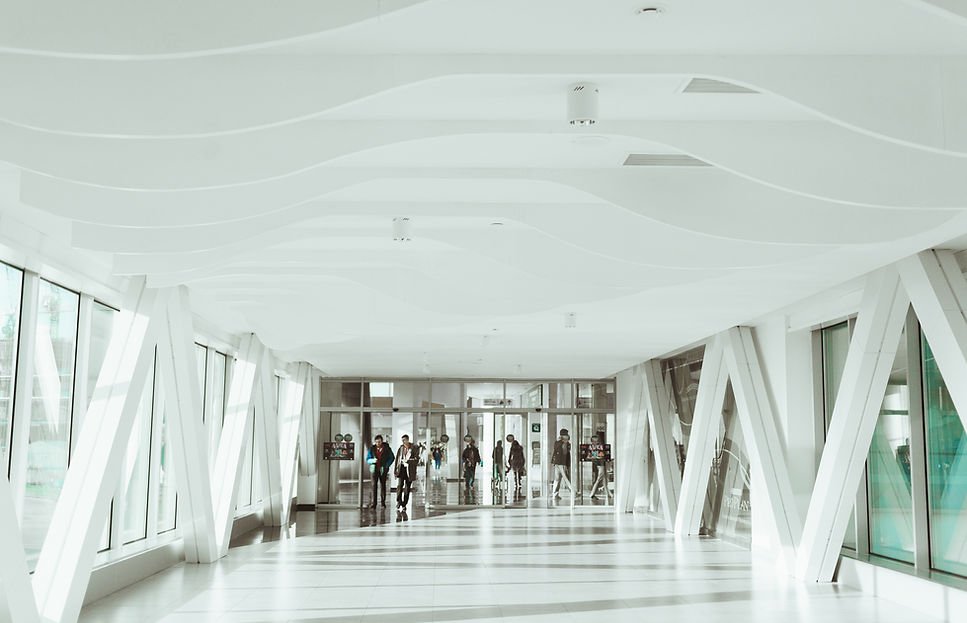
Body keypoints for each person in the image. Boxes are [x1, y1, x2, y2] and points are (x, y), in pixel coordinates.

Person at [366, 435, 394, 508]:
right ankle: (373, 503)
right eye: (376, 442)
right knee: (373, 486)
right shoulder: (372, 449)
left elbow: (392, 457)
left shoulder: (387, 449)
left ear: (382, 441)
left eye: (379, 442)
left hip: (383, 470)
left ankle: (383, 503)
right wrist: (372, 460)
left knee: (383, 486)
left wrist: (387, 465)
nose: (378, 443)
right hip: (374, 470)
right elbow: (368, 458)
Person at [394, 434, 420, 509]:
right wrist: (395, 472)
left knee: (407, 487)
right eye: (402, 440)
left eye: (404, 440)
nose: (403, 441)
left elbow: (417, 460)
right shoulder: (401, 448)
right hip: (401, 469)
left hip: (410, 470)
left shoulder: (414, 448)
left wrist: (408, 461)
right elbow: (397, 460)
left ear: (408, 440)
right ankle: (399, 501)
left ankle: (404, 504)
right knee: (399, 486)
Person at [551, 428, 573, 499]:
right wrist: (565, 443)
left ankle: (555, 494)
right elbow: (565, 453)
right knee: (566, 478)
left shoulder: (557, 442)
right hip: (562, 463)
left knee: (557, 479)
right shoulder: (562, 443)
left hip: (557, 463)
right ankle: (573, 492)